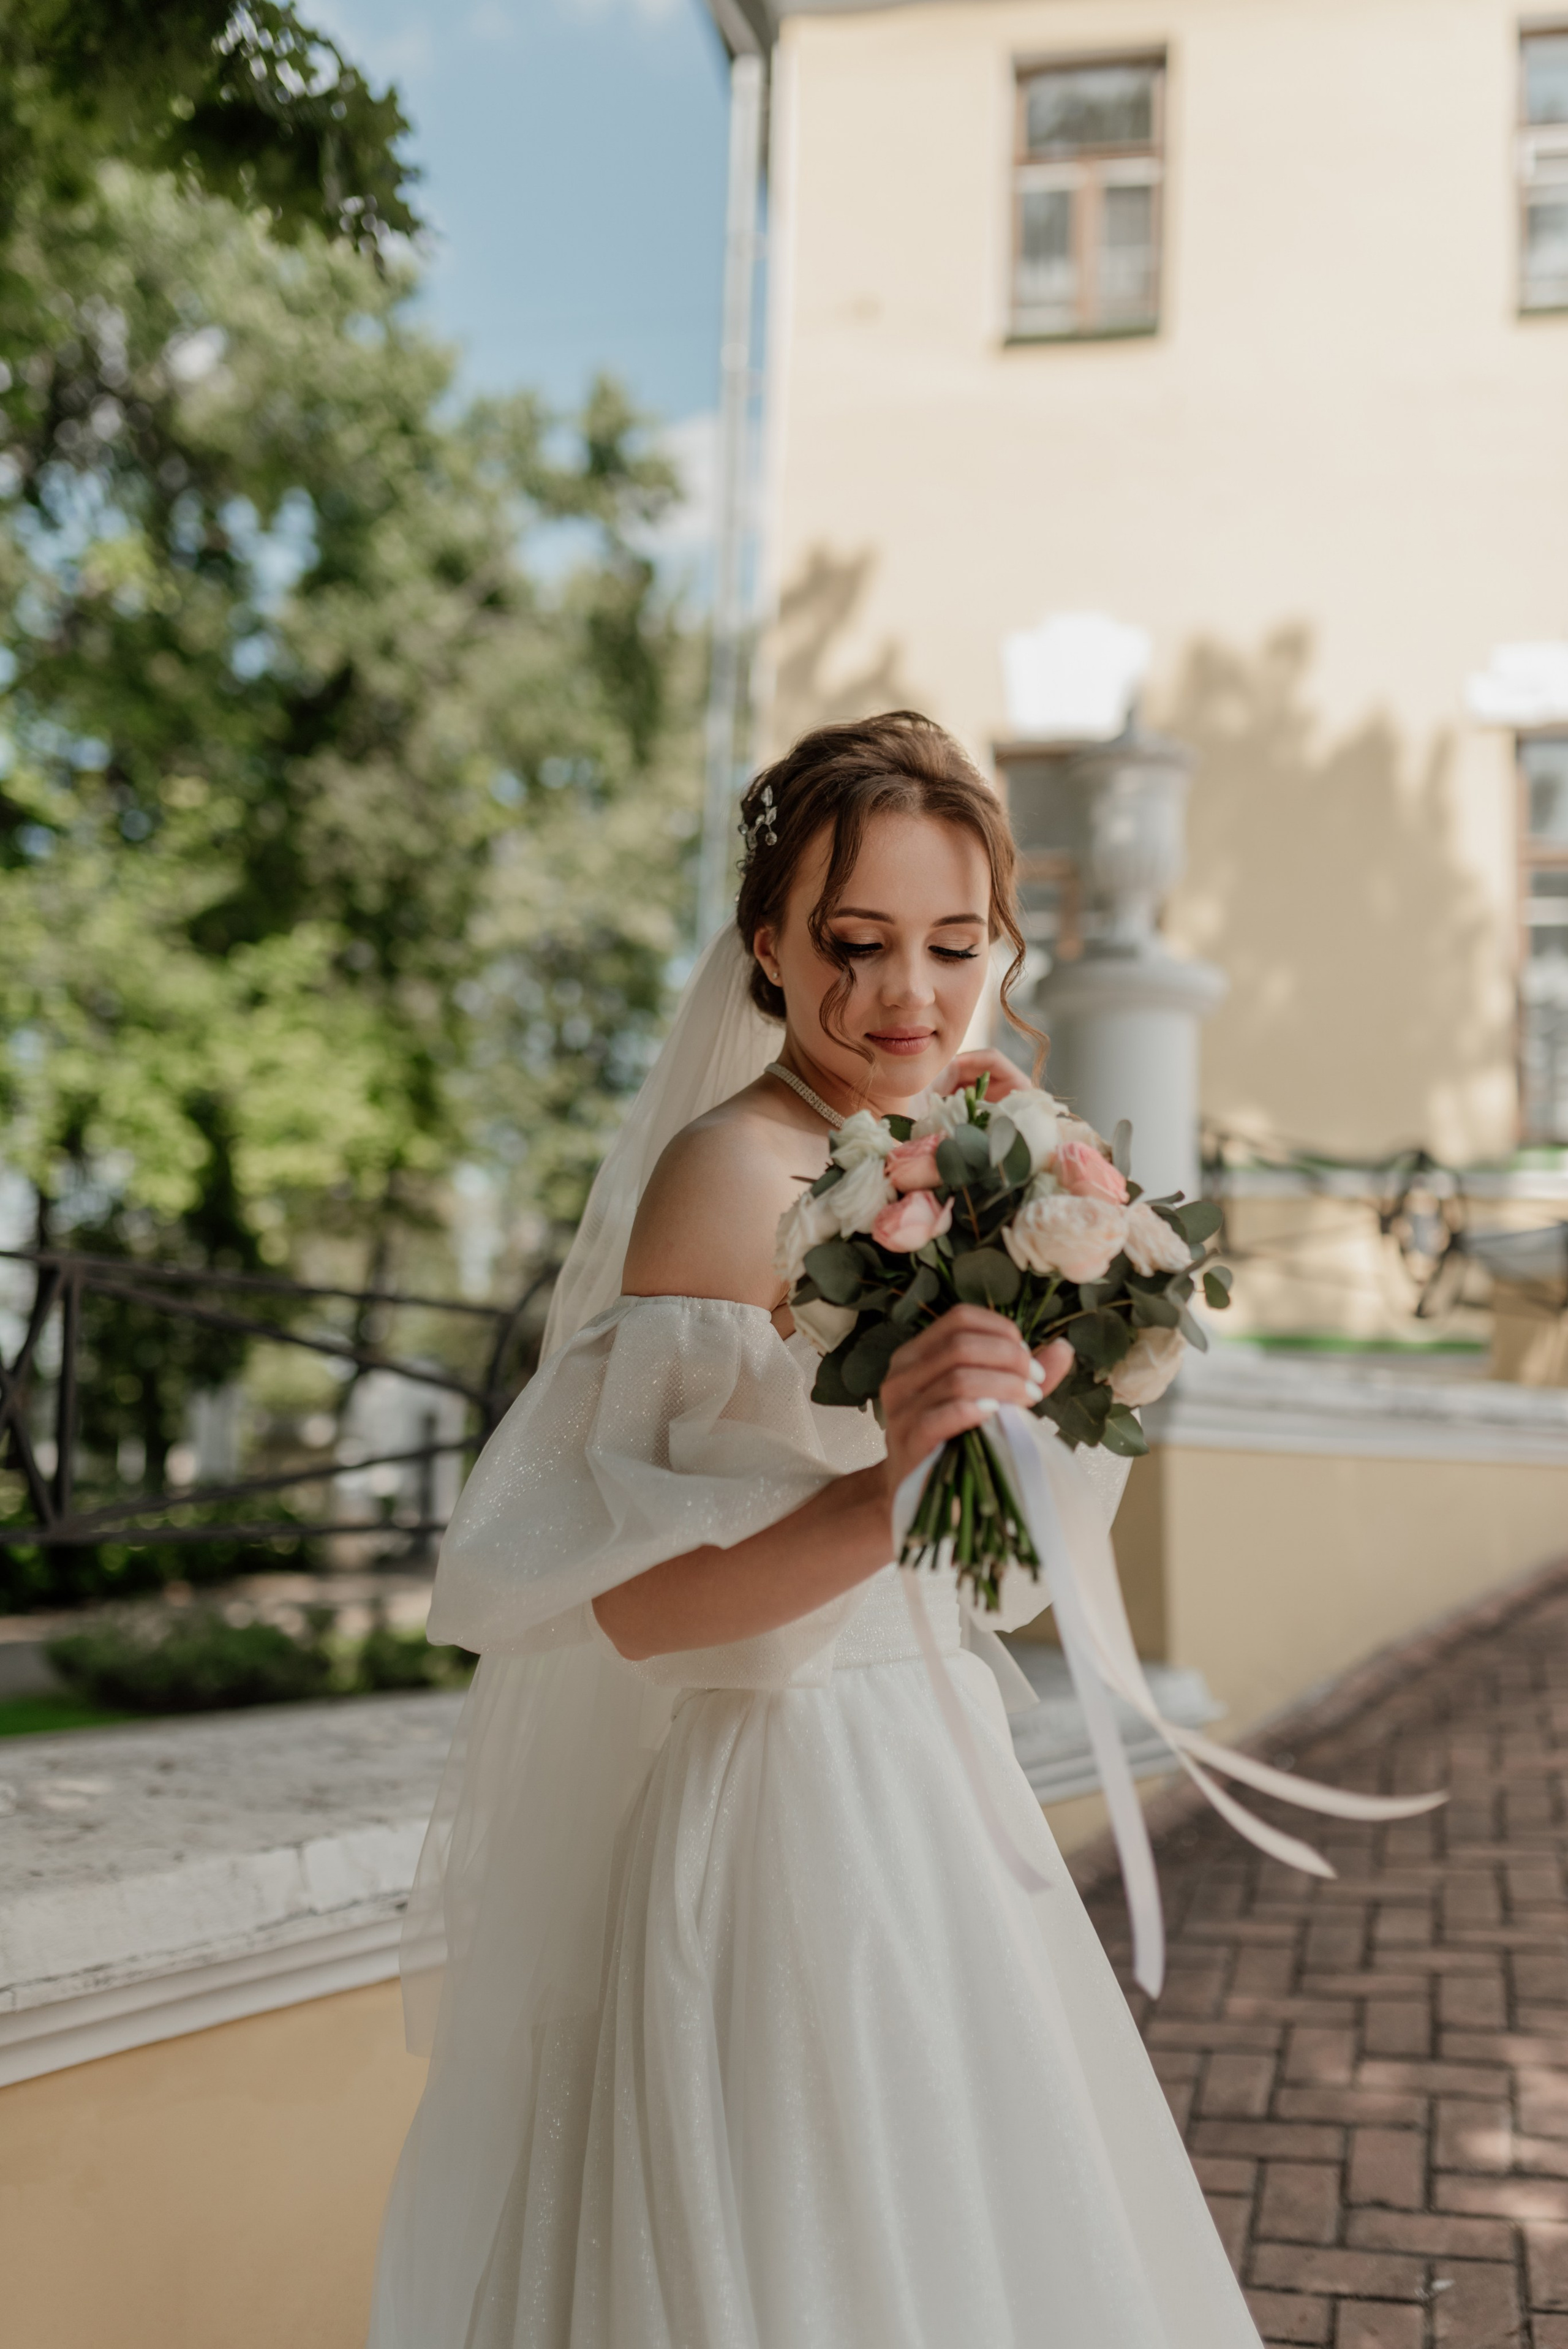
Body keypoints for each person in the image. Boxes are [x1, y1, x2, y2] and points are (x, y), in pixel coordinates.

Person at [369, 712, 1264, 2347]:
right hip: (782, 1802)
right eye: (854, 946)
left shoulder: (964, 1144)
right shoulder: (729, 1174)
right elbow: (647, 1613)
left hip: (934, 1777)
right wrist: (885, 1480)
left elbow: (985, 1562)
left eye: (951, 943)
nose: (909, 998)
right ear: (768, 944)